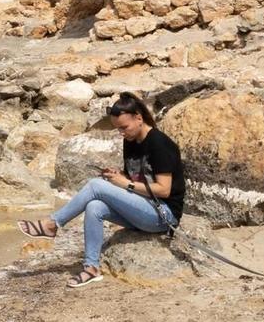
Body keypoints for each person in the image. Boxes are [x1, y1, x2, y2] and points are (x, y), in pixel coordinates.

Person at [17, 95, 188, 289]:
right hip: (142, 208)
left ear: (139, 118)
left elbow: (164, 190)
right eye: (118, 129)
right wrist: (120, 175)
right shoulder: (130, 140)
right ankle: (92, 268)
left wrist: (125, 184)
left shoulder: (159, 143)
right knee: (94, 206)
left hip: (163, 215)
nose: (122, 133)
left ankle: (52, 224)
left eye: (124, 127)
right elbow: (138, 176)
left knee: (95, 186)